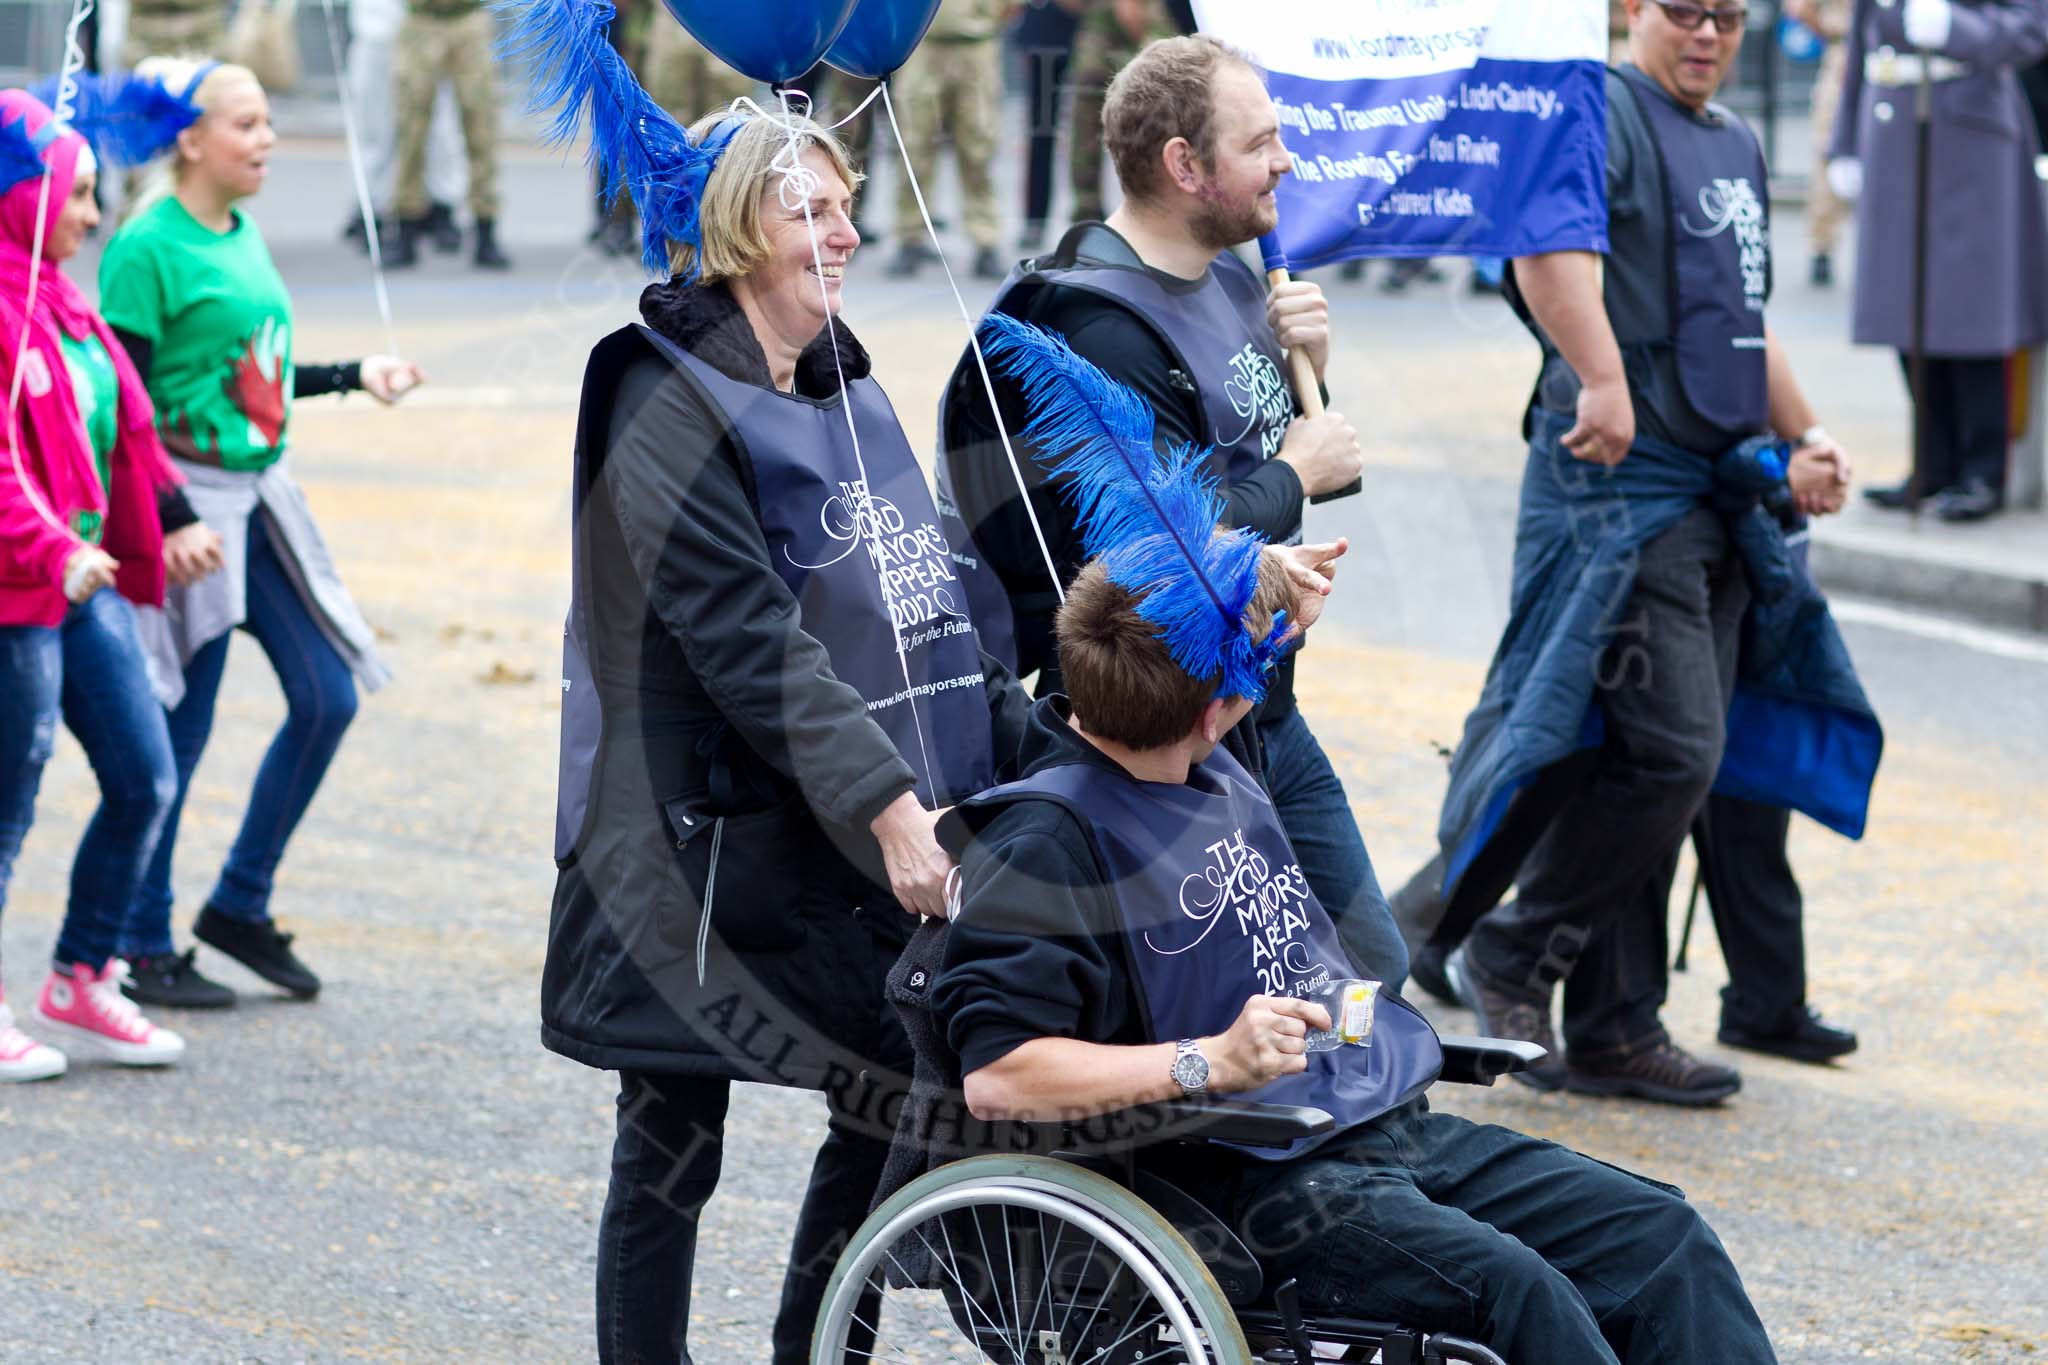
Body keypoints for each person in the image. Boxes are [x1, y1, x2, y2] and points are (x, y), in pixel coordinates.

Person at [929, 523, 1780, 1362]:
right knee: (1522, 1294)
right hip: (1247, 1179)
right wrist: (1208, 1059)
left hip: (1373, 1118)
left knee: (1665, 1237)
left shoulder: (1202, 751)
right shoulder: (1043, 843)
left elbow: (1211, 640)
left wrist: (1267, 583)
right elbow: (1000, 1077)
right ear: (1218, 708)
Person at [521, 26, 1040, 1343]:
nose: (846, 233)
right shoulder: (665, 399)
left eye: (848, 205)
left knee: (885, 1098)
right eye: (812, 207)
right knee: (671, 1141)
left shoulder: (843, 384)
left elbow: (925, 596)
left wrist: (1033, 730)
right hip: (689, 838)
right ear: (743, 230)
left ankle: (816, 1342)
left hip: (821, 827)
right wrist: (887, 808)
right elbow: (751, 639)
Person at [1422, 0, 1879, 1106]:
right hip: (1616, 490)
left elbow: (1743, 310)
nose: (1707, 33)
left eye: (1727, 15)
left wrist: (1801, 433)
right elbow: (1544, 253)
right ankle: (1507, 950)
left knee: (1637, 755)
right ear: (1631, 11)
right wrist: (1602, 376)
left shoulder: (1732, 138)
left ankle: (1617, 1027)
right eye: (1684, 10)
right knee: (1670, 750)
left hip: (1715, 488)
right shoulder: (1591, 109)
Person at [938, 35, 1411, 990]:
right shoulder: (1096, 326)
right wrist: (1296, 474)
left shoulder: (1233, 272)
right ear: (1185, 166)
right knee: (1289, 989)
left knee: (1368, 973)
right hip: (1167, 740)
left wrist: (1306, 367)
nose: (1287, 162)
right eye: (1262, 143)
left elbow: (1268, 454)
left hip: (1260, 703)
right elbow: (1148, 554)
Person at [97, 58, 420, 1009]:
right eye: (245, 124)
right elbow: (122, 408)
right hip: (183, 508)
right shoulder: (144, 244)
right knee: (177, 737)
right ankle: (139, 943)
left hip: (257, 497)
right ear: (189, 140)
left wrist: (355, 373)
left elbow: (252, 372)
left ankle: (238, 902)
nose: (267, 138)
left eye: (269, 120)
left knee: (326, 696)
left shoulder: (235, 228)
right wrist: (172, 520)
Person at [0, 89, 214, 1080]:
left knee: (144, 777)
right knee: (9, 800)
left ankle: (82, 973)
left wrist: (172, 521)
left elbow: (129, 428)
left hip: (77, 585)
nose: (91, 215)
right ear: (22, 195)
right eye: (75, 195)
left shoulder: (64, 298)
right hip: (19, 594)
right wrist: (55, 550)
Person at [1827, 0, 2048, 521]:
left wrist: (1958, 28)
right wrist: (1842, 145)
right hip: (1893, 127)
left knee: (1970, 307)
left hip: (1971, 130)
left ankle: (1982, 466)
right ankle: (1933, 461)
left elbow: (2032, 29)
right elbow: (1859, 41)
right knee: (1903, 301)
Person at [885, 0, 1007, 280]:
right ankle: (910, 236)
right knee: (914, 146)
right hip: (921, 45)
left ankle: (985, 239)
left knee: (979, 147)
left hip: (977, 45)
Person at [387, 0, 513, 269]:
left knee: (481, 127)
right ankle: (406, 224)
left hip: (468, 17)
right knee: (410, 129)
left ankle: (486, 226)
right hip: (421, 19)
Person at [340, 0, 468, 254]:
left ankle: (441, 205)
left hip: (427, 28)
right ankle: (372, 208)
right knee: (374, 128)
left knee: (438, 125)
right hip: (374, 33)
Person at [1066, 0, 1175, 226]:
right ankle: (1089, 212)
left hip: (1144, 24)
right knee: (1088, 122)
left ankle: (1172, 210)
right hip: (1102, 32)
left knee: (1168, 118)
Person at [1788, 0, 1853, 286]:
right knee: (1829, 150)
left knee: (1829, 151)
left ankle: (1821, 246)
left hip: (1845, 50)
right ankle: (1822, 244)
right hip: (1852, 52)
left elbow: (1799, 8)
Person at [1014, 0, 1081, 253]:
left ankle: (1093, 218)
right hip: (1044, 29)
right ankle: (1035, 220)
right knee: (1041, 133)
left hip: (1093, 29)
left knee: (1109, 129)